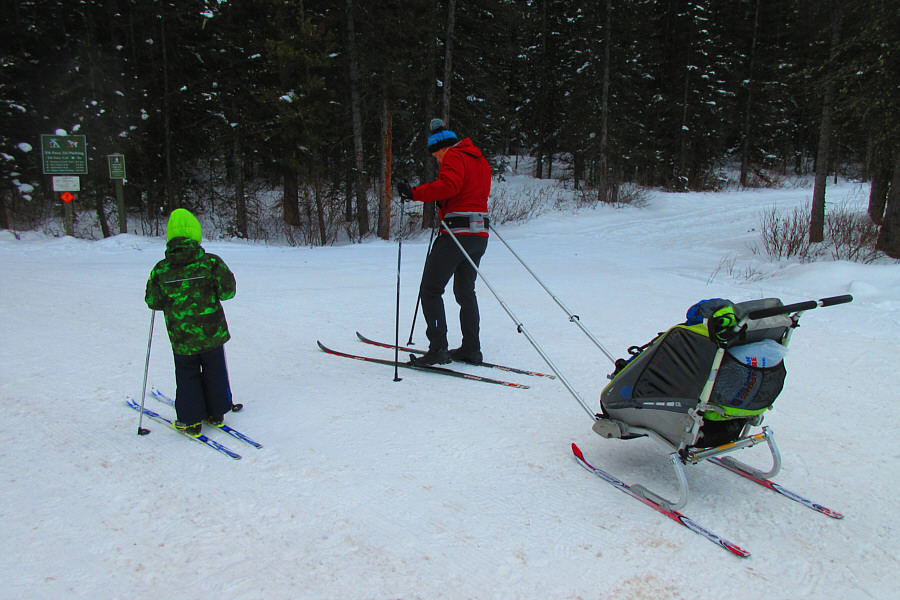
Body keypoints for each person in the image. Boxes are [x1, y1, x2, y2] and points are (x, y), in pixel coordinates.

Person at [397, 118, 491, 366]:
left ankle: (438, 349)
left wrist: (414, 193)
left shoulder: (454, 156)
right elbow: (470, 192)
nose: (438, 161)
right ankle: (472, 348)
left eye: (436, 156)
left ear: (442, 147)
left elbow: (449, 185)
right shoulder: (480, 160)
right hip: (479, 233)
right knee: (465, 291)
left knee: (430, 289)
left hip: (456, 234)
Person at [145, 208, 236, 437]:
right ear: (196, 233)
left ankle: (191, 419)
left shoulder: (161, 269)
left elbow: (153, 301)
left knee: (187, 375)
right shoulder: (210, 263)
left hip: (182, 337)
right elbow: (228, 292)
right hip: (211, 333)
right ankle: (216, 413)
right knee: (215, 371)